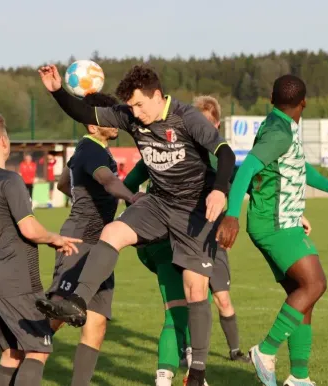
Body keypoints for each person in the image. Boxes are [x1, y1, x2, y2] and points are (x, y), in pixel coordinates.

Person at [35, 64, 235, 386]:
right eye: (131, 107)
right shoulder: (130, 115)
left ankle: (197, 370)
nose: (135, 113)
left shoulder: (186, 118)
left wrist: (219, 190)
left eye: (140, 105)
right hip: (159, 203)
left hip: (194, 212)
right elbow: (85, 112)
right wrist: (57, 91)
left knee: (195, 289)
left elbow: (225, 153)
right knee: (112, 231)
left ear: (158, 96)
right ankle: (76, 302)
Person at [216, 75, 328, 386]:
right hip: (275, 224)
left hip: (282, 222)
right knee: (315, 284)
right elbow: (247, 170)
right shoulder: (279, 132)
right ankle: (265, 352)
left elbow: (298, 167)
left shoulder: (278, 125)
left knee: (302, 295)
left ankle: (300, 377)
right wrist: (231, 216)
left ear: (271, 98)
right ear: (304, 102)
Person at [122, 95, 247, 385]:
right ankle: (188, 373)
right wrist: (133, 200)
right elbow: (129, 184)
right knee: (186, 305)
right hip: (176, 238)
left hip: (202, 239)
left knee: (204, 302)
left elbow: (247, 179)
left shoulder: (218, 156)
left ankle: (209, 359)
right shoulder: (174, 146)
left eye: (204, 123)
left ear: (215, 125)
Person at [0, 113, 81, 386]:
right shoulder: (9, 179)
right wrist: (55, 238)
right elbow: (29, 229)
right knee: (38, 349)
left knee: (12, 352)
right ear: (4, 142)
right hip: (16, 280)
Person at [47, 92, 145, 386]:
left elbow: (64, 183)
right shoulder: (92, 149)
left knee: (97, 321)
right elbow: (107, 180)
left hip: (100, 244)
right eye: (108, 116)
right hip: (78, 242)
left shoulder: (88, 148)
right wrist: (131, 196)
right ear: (92, 125)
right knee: (59, 313)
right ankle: (15, 359)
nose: (114, 121)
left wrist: (85, 199)